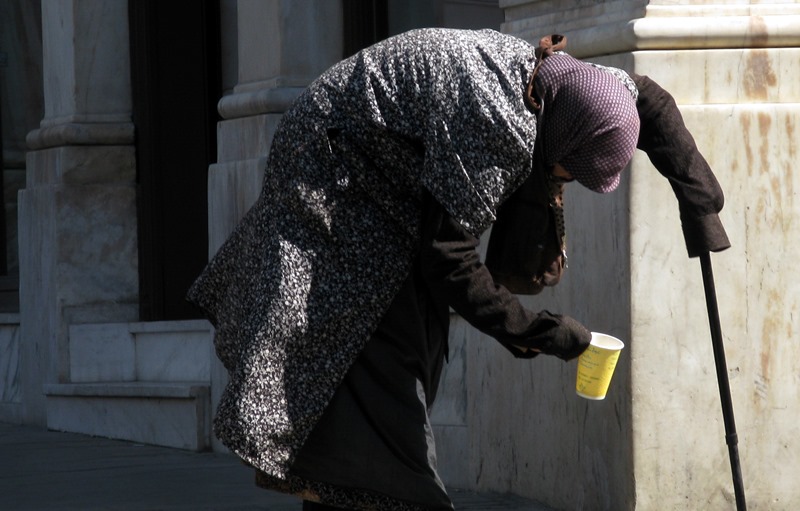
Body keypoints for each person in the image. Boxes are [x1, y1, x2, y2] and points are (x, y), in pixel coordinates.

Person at [187, 28, 729, 511]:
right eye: (565, 172)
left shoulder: (576, 87)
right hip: (336, 178)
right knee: (379, 360)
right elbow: (448, 258)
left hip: (388, 178)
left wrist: (700, 208)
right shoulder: (498, 122)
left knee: (411, 356)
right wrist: (542, 333)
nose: (561, 184)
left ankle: (349, 490)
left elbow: (650, 103)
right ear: (558, 137)